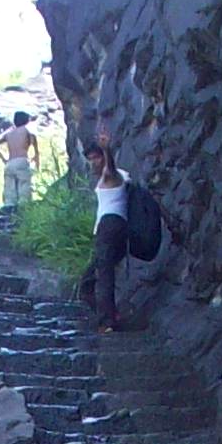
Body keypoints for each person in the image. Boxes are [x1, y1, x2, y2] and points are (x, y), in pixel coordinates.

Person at [85, 138, 130, 331]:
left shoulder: (112, 175)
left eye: (96, 158)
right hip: (118, 227)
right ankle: (109, 314)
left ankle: (108, 320)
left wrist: (107, 149)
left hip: (109, 225)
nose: (92, 163)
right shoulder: (123, 177)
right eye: (90, 159)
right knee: (90, 278)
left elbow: (109, 168)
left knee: (103, 275)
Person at [0, 109, 39, 221]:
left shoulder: (9, 133)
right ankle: (23, 218)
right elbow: (34, 143)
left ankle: (7, 217)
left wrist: (3, 159)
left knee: (9, 194)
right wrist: (36, 158)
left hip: (10, 163)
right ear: (26, 121)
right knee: (24, 190)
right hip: (22, 161)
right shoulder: (27, 130)